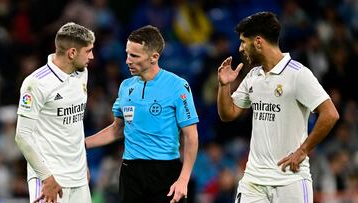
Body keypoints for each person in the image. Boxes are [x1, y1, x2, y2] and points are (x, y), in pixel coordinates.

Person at [217, 12, 339, 203]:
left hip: (290, 180)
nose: (240, 48)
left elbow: (330, 114)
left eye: (243, 42)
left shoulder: (298, 74)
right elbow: (228, 114)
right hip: (253, 181)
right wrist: (224, 86)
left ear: (258, 42)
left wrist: (303, 151)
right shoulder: (252, 76)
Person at [85, 25, 199, 203]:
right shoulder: (126, 86)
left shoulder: (177, 86)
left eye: (134, 56)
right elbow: (117, 129)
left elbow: (191, 136)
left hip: (165, 172)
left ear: (154, 57)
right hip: (130, 172)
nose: (128, 60)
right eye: (127, 53)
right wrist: (82, 143)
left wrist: (183, 179)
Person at [15, 22, 95, 203]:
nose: (92, 56)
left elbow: (74, 126)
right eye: (88, 51)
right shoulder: (35, 83)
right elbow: (22, 135)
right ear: (72, 53)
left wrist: (83, 165)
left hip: (79, 178)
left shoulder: (82, 74)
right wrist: (47, 178)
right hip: (50, 180)